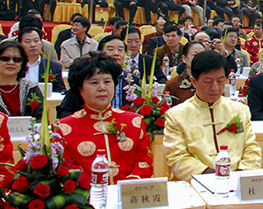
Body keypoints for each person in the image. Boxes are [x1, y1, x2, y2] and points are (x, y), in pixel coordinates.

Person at [163, 51, 261, 181]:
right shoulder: (176, 115)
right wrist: (211, 177)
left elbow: (252, 149)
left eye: (220, 81)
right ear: (194, 82)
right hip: (195, 184)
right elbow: (177, 157)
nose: (215, 88)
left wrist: (240, 174)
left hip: (237, 182)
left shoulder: (239, 110)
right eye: (208, 81)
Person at [58, 53, 152, 184]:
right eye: (94, 82)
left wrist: (127, 186)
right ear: (80, 88)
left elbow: (143, 162)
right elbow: (66, 167)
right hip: (86, 199)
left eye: (107, 81)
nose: (102, 88)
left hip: (127, 196)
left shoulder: (134, 121)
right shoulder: (63, 128)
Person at [0, 41, 44, 118]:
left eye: (16, 59)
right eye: (5, 58)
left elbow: (40, 119)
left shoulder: (31, 88)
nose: (11, 63)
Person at [18, 27, 65, 94]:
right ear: (20, 44)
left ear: (41, 43)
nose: (33, 45)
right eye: (27, 42)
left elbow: (60, 91)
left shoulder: (53, 67)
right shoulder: (14, 65)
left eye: (36, 41)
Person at [163, 40, 206, 106]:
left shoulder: (212, 82)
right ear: (184, 58)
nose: (199, 58)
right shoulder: (172, 85)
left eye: (202, 55)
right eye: (194, 55)